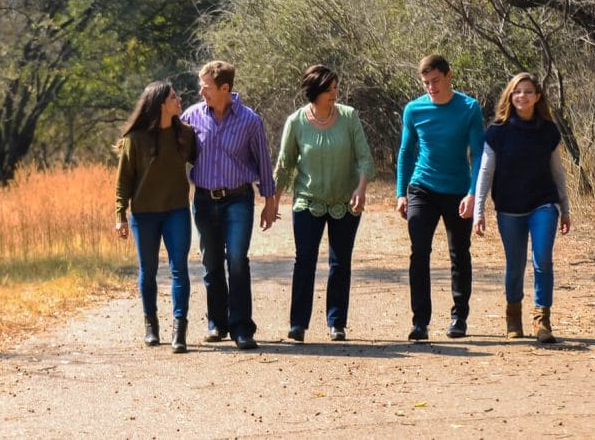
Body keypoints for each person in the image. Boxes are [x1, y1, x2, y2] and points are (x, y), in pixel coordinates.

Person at [274, 65, 375, 343]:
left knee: (340, 262)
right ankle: (298, 325)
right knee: (304, 260)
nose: (335, 93)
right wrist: (274, 202)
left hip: (345, 200)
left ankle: (337, 322)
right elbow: (285, 165)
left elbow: (364, 158)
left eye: (335, 88)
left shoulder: (349, 117)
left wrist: (361, 188)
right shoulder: (296, 122)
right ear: (315, 92)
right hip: (308, 201)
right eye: (329, 89)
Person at [181, 60, 278, 351]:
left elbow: (263, 161)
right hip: (204, 200)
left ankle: (241, 328)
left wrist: (269, 201)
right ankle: (217, 323)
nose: (201, 91)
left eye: (206, 86)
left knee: (236, 259)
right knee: (211, 263)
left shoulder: (249, 120)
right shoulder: (191, 117)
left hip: (238, 199)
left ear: (225, 88)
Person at [470, 72, 571, 343]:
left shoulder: (548, 131)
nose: (522, 96)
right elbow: (485, 173)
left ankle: (542, 321)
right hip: (509, 208)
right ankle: (513, 317)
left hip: (543, 204)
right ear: (510, 96)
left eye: (527, 91)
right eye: (517, 91)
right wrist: (478, 211)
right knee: (515, 265)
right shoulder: (497, 132)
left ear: (537, 97)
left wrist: (565, 208)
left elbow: (557, 172)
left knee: (543, 260)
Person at [396, 55, 485, 340]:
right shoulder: (414, 109)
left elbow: (479, 154)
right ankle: (419, 322)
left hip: (458, 189)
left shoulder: (469, 108)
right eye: (425, 83)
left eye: (435, 81)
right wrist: (401, 193)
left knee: (459, 252)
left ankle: (459, 317)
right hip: (422, 187)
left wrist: (474, 193)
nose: (431, 87)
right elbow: (406, 153)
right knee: (419, 251)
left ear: (448, 76)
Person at [114, 81, 198, 353]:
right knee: (147, 270)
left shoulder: (185, 134)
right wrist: (120, 215)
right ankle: (151, 325)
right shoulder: (134, 140)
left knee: (179, 269)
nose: (179, 99)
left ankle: (179, 329)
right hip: (144, 214)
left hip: (176, 211)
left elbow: (201, 162)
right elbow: (123, 181)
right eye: (174, 97)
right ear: (161, 103)